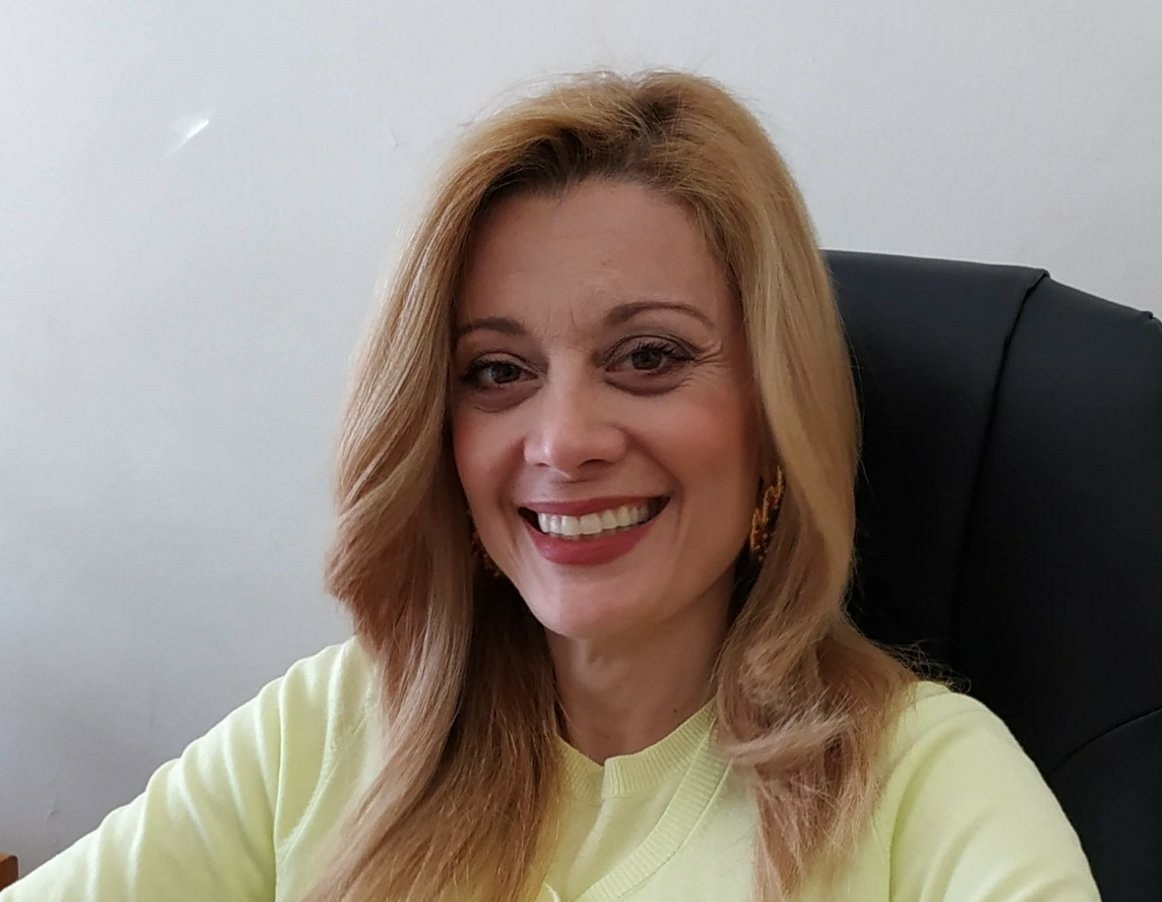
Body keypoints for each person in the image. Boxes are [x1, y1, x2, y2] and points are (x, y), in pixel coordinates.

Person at [1, 70, 1101, 902]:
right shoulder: (329, 725)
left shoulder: (929, 787)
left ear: (776, 417)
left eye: (649, 357)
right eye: (497, 372)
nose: (564, 441)